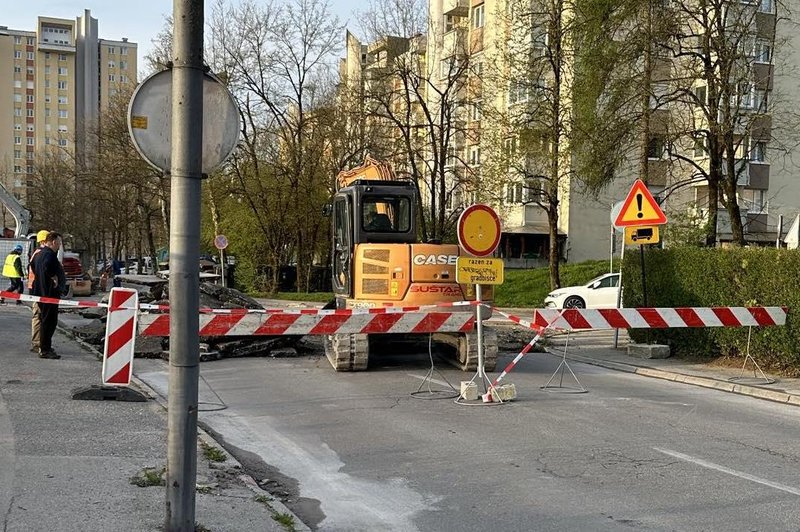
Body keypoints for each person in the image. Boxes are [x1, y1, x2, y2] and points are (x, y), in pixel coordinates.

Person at [30, 231, 66, 359]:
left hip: (40, 292)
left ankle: (44, 346)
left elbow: (33, 265)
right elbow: (46, 267)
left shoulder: (39, 254)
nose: (59, 246)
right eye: (59, 243)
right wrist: (53, 277)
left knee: (45, 320)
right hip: (48, 294)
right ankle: (45, 349)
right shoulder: (49, 255)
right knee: (49, 322)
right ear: (54, 242)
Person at [29, 229, 50, 353]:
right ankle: (37, 343)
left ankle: (38, 342)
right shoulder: (41, 254)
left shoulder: (36, 253)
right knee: (38, 316)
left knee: (38, 316)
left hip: (35, 288)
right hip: (37, 290)